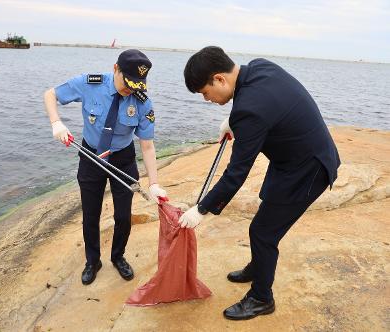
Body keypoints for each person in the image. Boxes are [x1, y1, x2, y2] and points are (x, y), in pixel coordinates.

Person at [179, 46, 340, 320]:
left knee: (263, 232)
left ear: (219, 79)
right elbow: (267, 101)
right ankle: (259, 266)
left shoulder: (249, 110)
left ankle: (261, 298)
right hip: (292, 159)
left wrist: (201, 209)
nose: (206, 99)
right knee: (268, 205)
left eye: (205, 93)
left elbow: (236, 174)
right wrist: (232, 120)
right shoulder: (258, 67)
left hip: (309, 169)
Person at [44, 49, 167, 285]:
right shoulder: (90, 84)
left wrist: (154, 183)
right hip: (91, 155)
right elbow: (50, 94)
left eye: (136, 85)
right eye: (126, 82)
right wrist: (56, 123)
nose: (130, 89)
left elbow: (148, 146)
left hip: (123, 159)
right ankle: (93, 260)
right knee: (91, 214)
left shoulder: (142, 102)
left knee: (123, 216)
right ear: (115, 69)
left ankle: (118, 256)